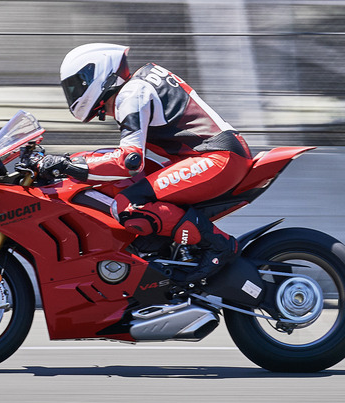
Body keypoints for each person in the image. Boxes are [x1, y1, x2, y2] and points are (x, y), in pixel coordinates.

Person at [38, 43, 253, 283]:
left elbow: (129, 161)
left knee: (129, 206)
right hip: (210, 156)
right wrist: (72, 162)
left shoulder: (132, 94)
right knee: (131, 187)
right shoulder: (136, 86)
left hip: (217, 158)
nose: (76, 92)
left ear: (99, 72)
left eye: (78, 84)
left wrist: (67, 165)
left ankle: (219, 246)